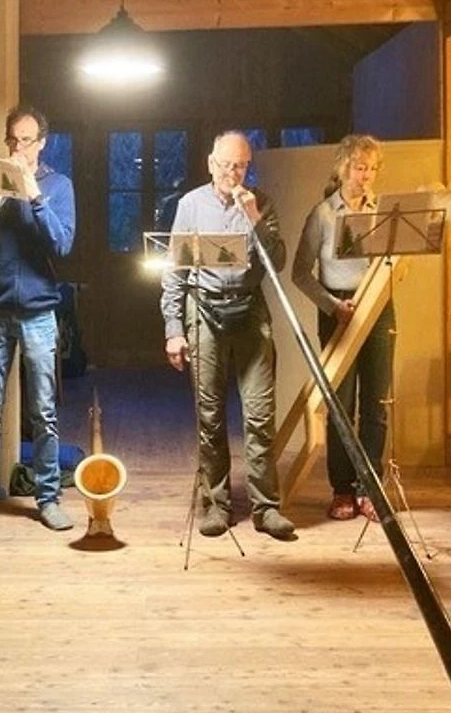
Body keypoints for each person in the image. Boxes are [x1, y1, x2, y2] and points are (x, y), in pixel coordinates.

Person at [160, 131, 295, 540]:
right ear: (210, 163)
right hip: (203, 309)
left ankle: (266, 508)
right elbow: (175, 271)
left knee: (260, 414)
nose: (232, 173)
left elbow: (279, 261)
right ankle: (216, 504)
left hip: (249, 309)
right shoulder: (190, 205)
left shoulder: (261, 203)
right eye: (225, 164)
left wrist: (253, 217)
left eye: (240, 166)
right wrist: (173, 329)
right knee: (210, 414)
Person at [0, 105, 76, 532]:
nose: (18, 147)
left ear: (42, 143)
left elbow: (61, 245)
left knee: (43, 412)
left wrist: (34, 196)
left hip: (40, 312)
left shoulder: (59, 186)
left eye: (26, 140)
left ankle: (48, 499)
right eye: (12, 139)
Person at [291, 134, 394, 523]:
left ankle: (371, 489)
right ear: (343, 168)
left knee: (376, 404)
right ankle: (342, 490)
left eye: (372, 169)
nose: (366, 176)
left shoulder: (383, 211)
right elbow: (300, 273)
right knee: (340, 404)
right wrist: (333, 306)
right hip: (338, 308)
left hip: (377, 307)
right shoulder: (322, 214)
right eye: (359, 168)